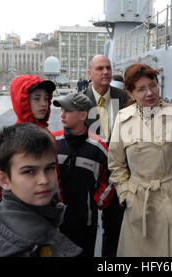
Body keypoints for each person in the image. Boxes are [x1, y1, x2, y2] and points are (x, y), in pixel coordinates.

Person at [108, 63, 172, 257]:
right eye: (141, 89)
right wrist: (126, 195)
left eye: (153, 85)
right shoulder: (122, 118)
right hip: (138, 204)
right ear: (130, 93)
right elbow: (116, 164)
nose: (150, 93)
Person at [0, 123, 82, 257]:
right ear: (4, 180)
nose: (44, 180)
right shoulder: (19, 247)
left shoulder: (36, 211)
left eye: (50, 168)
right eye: (29, 171)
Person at [53, 93, 115, 257]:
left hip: (85, 222)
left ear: (83, 115)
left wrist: (98, 201)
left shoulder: (98, 147)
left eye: (68, 110)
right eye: (62, 110)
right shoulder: (52, 142)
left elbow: (114, 175)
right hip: (56, 222)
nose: (62, 114)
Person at [0, 75, 57, 203]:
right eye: (37, 98)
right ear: (22, 100)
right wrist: (19, 206)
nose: (43, 103)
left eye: (46, 98)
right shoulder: (9, 140)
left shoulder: (48, 134)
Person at [84, 55, 129, 257]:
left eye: (108, 68)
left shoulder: (125, 98)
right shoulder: (81, 101)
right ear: (90, 73)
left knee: (114, 229)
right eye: (100, 68)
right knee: (88, 229)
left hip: (118, 176)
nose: (106, 72)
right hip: (90, 174)